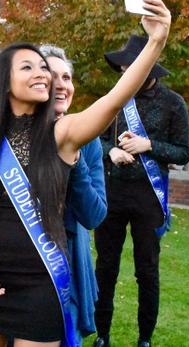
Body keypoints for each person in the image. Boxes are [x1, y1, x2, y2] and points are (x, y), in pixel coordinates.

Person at [0, 0, 171, 347]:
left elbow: (115, 97)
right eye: (28, 67)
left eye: (44, 68)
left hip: (40, 283)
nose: (42, 73)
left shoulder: (63, 134)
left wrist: (156, 41)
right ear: (2, 81)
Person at [93, 35, 189, 347]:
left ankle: (145, 338)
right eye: (121, 70)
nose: (123, 75)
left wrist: (148, 145)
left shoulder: (174, 103)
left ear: (148, 68)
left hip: (149, 197)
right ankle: (102, 335)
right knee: (105, 268)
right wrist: (110, 151)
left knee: (147, 270)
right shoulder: (116, 98)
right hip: (113, 193)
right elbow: (96, 138)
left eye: (129, 69)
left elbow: (183, 152)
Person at [40, 44, 108, 344]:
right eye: (52, 76)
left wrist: (75, 156)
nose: (62, 85)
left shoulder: (88, 140)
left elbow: (93, 214)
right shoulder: (13, 132)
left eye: (67, 77)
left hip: (67, 262)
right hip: (19, 265)